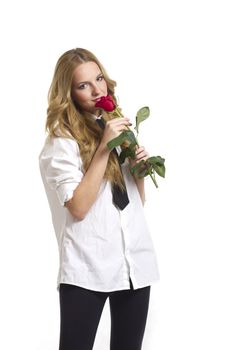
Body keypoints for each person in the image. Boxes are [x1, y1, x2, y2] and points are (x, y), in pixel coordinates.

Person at [39, 48, 160, 350]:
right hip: (87, 268)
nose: (97, 90)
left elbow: (133, 204)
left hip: (133, 264)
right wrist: (105, 148)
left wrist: (139, 172)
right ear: (69, 93)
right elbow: (79, 207)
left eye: (99, 79)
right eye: (83, 85)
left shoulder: (114, 125)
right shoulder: (61, 140)